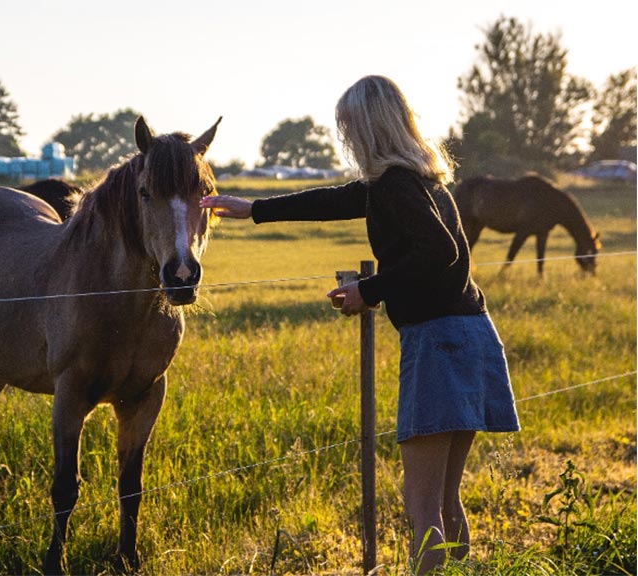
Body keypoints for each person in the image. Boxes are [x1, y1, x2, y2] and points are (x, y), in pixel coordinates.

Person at [200, 75, 520, 574]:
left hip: (437, 342)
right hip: (474, 334)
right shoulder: (418, 180)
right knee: (446, 501)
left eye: (348, 127)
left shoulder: (395, 183)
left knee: (422, 508)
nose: (345, 137)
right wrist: (253, 209)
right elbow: (331, 202)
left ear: (369, 129)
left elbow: (441, 251)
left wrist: (367, 291)